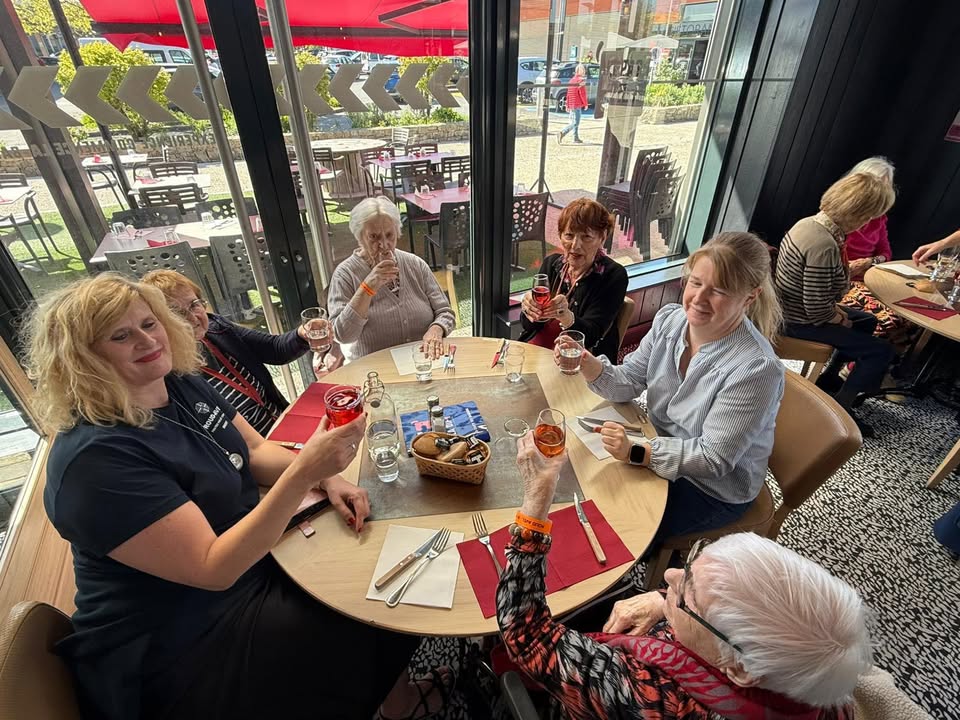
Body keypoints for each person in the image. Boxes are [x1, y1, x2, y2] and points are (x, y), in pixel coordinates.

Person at [25, 274, 450, 720]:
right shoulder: (94, 462)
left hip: (247, 561)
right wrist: (306, 470)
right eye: (120, 335)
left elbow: (255, 451)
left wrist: (327, 480)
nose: (147, 340)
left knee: (381, 566)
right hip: (179, 640)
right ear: (82, 359)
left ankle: (394, 699)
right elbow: (213, 568)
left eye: (149, 323)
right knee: (370, 607)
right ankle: (392, 704)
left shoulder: (176, 382)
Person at [496, 434, 871, 720]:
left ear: (739, 669)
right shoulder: (816, 685)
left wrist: (536, 504)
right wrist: (667, 602)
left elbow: (527, 636)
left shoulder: (655, 701)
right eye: (692, 565)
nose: (670, 574)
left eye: (688, 596)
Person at [559, 232, 784, 540]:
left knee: (612, 530)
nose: (699, 299)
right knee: (578, 481)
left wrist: (637, 451)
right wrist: (589, 363)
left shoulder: (756, 369)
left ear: (750, 297)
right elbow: (631, 379)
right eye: (696, 283)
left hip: (709, 488)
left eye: (719, 290)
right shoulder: (671, 321)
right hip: (656, 445)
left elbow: (713, 459)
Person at [775, 172, 896, 432]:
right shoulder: (824, 245)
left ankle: (830, 377)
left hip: (791, 308)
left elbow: (816, 287)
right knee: (880, 351)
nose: (869, 222)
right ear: (861, 214)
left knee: (867, 321)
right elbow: (817, 310)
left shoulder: (808, 224)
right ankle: (841, 410)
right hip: (797, 320)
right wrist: (840, 318)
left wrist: (841, 305)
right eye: (870, 216)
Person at [140, 270, 331, 436]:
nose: (193, 318)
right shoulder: (167, 376)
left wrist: (302, 334)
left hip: (283, 425)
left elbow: (275, 349)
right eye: (177, 313)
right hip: (251, 456)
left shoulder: (217, 328)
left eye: (194, 305)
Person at [328, 196, 456, 363]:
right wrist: (367, 288)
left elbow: (445, 312)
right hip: (372, 370)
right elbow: (342, 335)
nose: (384, 244)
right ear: (359, 237)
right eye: (374, 237)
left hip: (422, 364)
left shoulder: (415, 264)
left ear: (397, 232)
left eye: (389, 235)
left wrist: (437, 329)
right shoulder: (344, 275)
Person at [519, 198, 627, 362]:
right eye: (569, 235)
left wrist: (566, 316)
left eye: (586, 237)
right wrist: (529, 310)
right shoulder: (551, 264)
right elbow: (528, 326)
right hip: (538, 351)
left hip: (580, 360)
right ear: (560, 235)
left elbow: (591, 337)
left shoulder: (613, 275)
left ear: (602, 237)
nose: (575, 245)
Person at [836, 157, 914, 348]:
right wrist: (847, 268)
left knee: (910, 313)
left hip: (869, 279)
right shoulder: (839, 215)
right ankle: (858, 356)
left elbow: (886, 253)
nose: (881, 193)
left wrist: (870, 261)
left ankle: (888, 356)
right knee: (888, 319)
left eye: (886, 187)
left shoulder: (879, 219)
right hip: (842, 282)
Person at [557, 63, 588, 144]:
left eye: (584, 69)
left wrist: (567, 105)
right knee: (575, 122)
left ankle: (575, 138)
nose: (584, 71)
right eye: (582, 70)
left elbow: (568, 94)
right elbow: (582, 94)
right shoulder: (581, 81)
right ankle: (562, 132)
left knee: (574, 121)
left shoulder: (572, 80)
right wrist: (585, 104)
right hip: (577, 104)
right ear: (579, 71)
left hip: (571, 104)